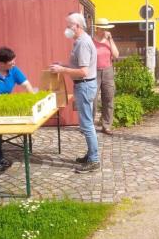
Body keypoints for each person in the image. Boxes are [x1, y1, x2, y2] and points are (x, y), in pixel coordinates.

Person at [49, 12, 100, 173]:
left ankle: (94, 160)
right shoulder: (80, 41)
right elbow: (77, 66)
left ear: (77, 26)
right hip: (84, 85)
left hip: (84, 85)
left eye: (69, 25)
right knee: (86, 123)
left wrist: (62, 69)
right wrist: (62, 65)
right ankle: (91, 154)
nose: (66, 29)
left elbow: (83, 72)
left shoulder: (83, 43)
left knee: (87, 124)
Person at [92, 18, 119, 135]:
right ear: (97, 29)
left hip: (108, 71)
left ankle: (106, 125)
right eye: (102, 29)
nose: (105, 31)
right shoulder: (91, 41)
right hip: (94, 71)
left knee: (108, 98)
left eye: (106, 29)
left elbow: (116, 55)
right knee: (92, 99)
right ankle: (90, 126)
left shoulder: (109, 41)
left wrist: (111, 39)